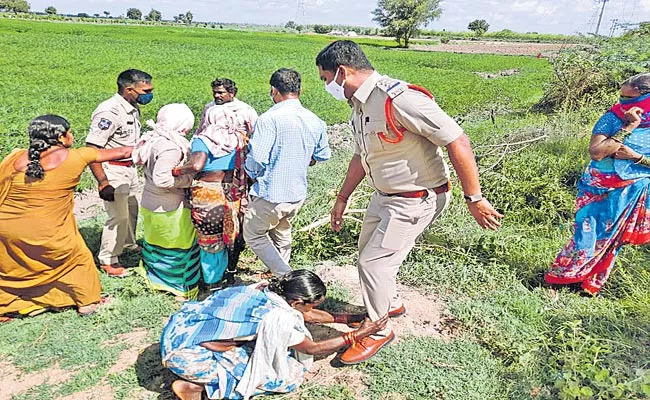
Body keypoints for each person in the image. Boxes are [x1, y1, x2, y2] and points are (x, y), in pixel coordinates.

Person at [316, 40, 503, 364]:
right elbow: (363, 155)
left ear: (343, 72)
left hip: (414, 199)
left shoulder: (399, 99)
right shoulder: (361, 105)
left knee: (374, 263)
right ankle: (388, 304)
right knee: (368, 254)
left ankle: (377, 330)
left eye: (325, 79)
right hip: (384, 196)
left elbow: (458, 140)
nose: (326, 87)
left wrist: (475, 198)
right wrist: (342, 198)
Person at [161, 269, 387, 400]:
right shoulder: (278, 319)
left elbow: (307, 315)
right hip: (186, 354)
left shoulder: (263, 290)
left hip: (180, 330)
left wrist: (345, 319)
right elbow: (312, 348)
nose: (310, 311)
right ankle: (196, 388)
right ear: (297, 302)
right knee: (286, 377)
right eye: (311, 305)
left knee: (256, 349)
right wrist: (359, 334)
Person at [0, 115, 133, 321]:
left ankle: (7, 306)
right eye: (69, 132)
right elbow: (124, 151)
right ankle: (87, 302)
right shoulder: (76, 157)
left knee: (14, 264)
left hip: (7, 227)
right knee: (78, 258)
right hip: (48, 230)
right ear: (61, 138)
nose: (72, 135)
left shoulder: (15, 157)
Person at [546, 73, 650, 295]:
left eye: (630, 99)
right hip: (596, 186)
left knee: (611, 240)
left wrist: (636, 157)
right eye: (622, 97)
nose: (624, 104)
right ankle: (558, 280)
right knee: (585, 235)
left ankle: (588, 286)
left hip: (631, 188)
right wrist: (628, 127)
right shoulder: (612, 118)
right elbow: (597, 153)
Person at [243, 68, 331, 276]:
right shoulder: (314, 120)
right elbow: (321, 154)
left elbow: (257, 159)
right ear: (299, 90)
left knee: (253, 233)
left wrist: (250, 173)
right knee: (281, 232)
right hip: (296, 193)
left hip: (271, 192)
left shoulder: (269, 119)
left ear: (274, 91)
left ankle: (285, 276)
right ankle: (278, 278)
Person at [172, 106, 250, 289]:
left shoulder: (204, 138)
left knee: (210, 240)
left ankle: (212, 282)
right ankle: (230, 274)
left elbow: (197, 164)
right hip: (233, 192)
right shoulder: (240, 138)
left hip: (209, 193)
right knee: (231, 234)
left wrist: (177, 170)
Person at [86, 69, 154, 278]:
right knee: (118, 216)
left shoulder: (131, 107)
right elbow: (91, 148)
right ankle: (108, 259)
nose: (149, 94)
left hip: (129, 169)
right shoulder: (109, 112)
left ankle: (128, 244)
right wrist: (103, 182)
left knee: (132, 209)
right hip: (113, 170)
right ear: (129, 89)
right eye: (146, 90)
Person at [133, 104, 200, 300]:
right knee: (178, 247)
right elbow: (162, 180)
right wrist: (189, 181)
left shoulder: (153, 139)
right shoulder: (171, 146)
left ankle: (156, 280)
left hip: (150, 203)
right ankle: (179, 287)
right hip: (170, 207)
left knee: (157, 244)